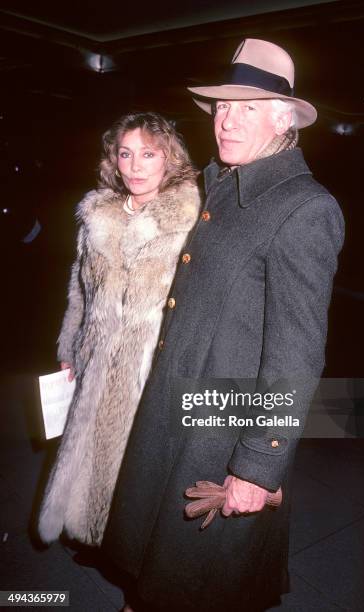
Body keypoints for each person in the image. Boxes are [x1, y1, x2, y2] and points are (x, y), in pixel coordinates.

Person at [102, 39, 345, 611]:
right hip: (175, 409)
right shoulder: (223, 186)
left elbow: (298, 355)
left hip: (220, 430)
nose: (227, 121)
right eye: (222, 107)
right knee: (159, 569)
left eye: (248, 107)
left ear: (283, 119)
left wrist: (258, 465)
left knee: (197, 581)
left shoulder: (304, 208)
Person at [38, 112, 200, 547]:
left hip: (149, 368)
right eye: (125, 154)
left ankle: (122, 543)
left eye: (148, 154)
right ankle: (87, 528)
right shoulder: (98, 213)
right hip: (96, 357)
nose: (135, 166)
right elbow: (80, 286)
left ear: (170, 158)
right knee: (85, 448)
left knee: (133, 468)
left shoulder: (188, 220)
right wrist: (70, 345)